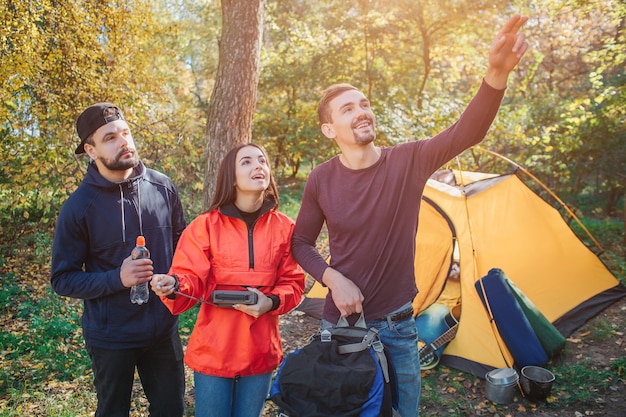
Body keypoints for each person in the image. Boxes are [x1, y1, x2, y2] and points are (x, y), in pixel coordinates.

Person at [291, 14, 529, 417]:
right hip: (342, 326)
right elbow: (300, 243)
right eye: (347, 109)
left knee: (403, 413)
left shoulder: (409, 161)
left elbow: (467, 132)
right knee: (342, 412)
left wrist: (495, 75)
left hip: (399, 328)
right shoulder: (321, 179)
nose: (361, 111)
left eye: (364, 103)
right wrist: (333, 279)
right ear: (329, 129)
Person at [50, 103, 187, 417]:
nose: (124, 142)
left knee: (171, 410)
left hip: (162, 331)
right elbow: (63, 279)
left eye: (125, 133)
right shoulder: (78, 207)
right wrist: (118, 278)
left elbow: (184, 250)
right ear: (91, 150)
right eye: (110, 137)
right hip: (111, 337)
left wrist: (177, 280)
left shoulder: (162, 187)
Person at [151, 143, 306, 417]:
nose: (258, 166)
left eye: (262, 160)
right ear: (232, 178)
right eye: (246, 162)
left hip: (261, 349)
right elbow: (189, 278)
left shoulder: (285, 228)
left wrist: (269, 302)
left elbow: (294, 284)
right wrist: (173, 285)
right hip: (215, 348)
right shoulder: (204, 226)